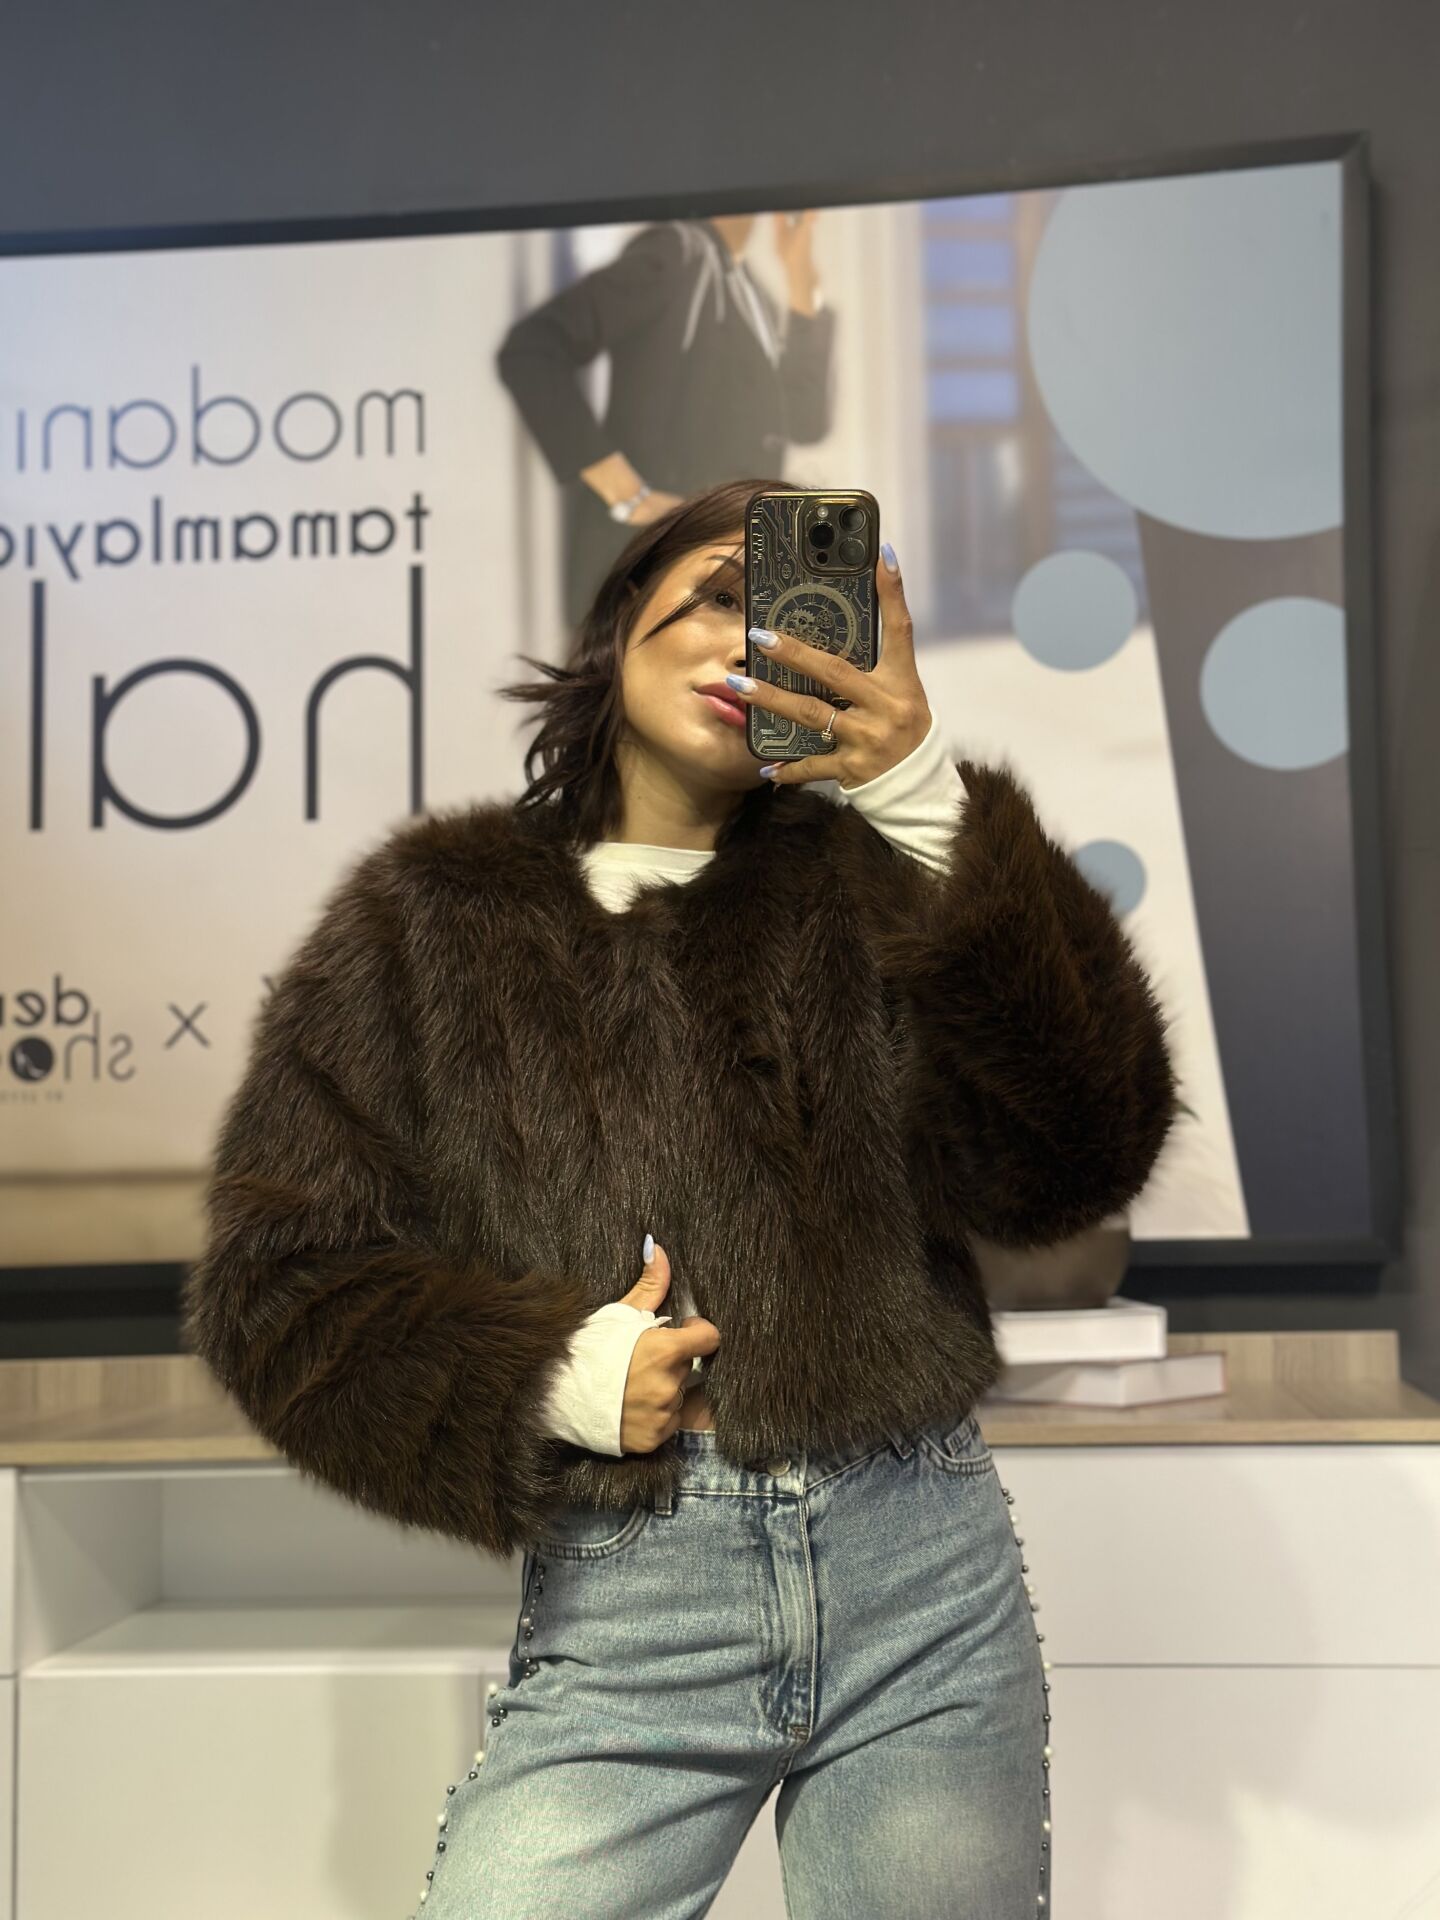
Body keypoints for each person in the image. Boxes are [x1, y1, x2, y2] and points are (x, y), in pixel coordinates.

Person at [181, 475, 1180, 1918]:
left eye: (794, 614)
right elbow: (278, 1287)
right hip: (634, 1596)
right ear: (621, 622)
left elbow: (1077, 1153)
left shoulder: (875, 884)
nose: (750, 641)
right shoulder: (427, 920)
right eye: (718, 594)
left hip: (920, 1570)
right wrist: (556, 1375)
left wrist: (919, 794)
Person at [496, 212, 835, 628]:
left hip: (717, 574)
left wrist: (800, 275)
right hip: (648, 574)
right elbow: (532, 350)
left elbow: (806, 420)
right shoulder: (677, 253)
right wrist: (625, 491)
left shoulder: (749, 291)